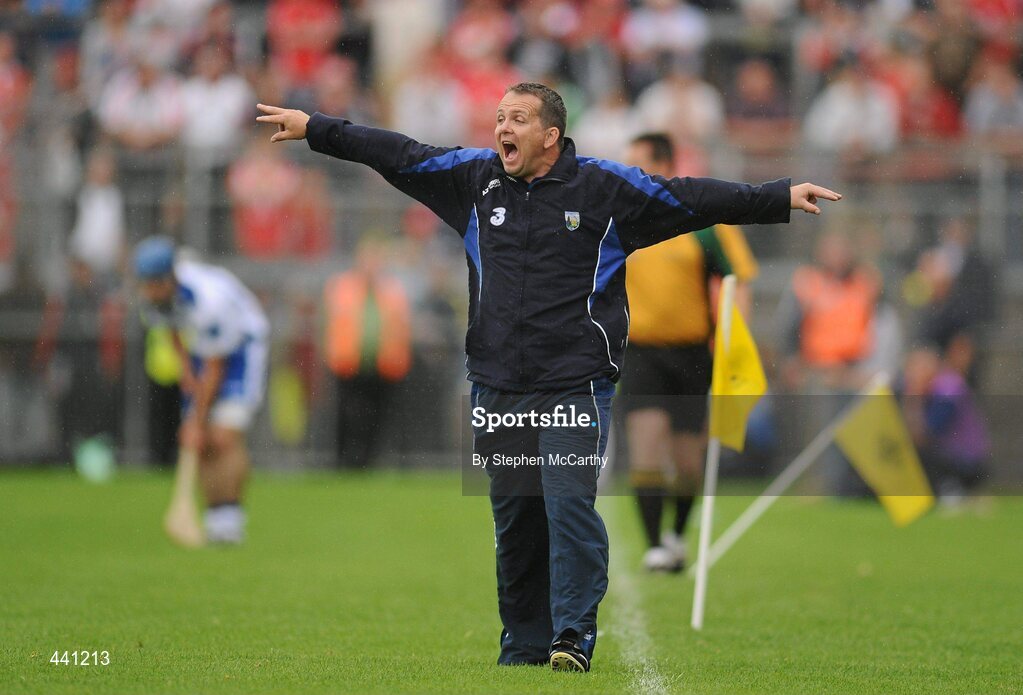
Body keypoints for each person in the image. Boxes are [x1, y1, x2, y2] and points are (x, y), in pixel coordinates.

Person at [256, 82, 839, 673]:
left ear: (550, 135)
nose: (502, 128)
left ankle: (572, 637)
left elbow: (693, 197)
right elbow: (397, 152)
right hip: (497, 385)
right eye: (499, 117)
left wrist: (778, 196)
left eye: (517, 119)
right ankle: (523, 645)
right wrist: (317, 129)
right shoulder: (472, 180)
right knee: (517, 522)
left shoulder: (607, 189)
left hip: (575, 384)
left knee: (567, 505)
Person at [619, 132, 759, 573]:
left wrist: (735, 336)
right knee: (645, 443)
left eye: (638, 163)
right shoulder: (622, 216)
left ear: (664, 163)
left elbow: (738, 280)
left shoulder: (699, 221)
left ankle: (677, 534)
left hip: (692, 354)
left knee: (686, 461)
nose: (629, 172)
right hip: (639, 351)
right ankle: (653, 544)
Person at [133, 236, 269, 544]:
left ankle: (230, 520)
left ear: (171, 278)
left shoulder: (209, 302)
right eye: (145, 284)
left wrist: (195, 418)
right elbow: (172, 331)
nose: (150, 291)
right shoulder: (152, 299)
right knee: (203, 443)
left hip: (242, 347)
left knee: (222, 435)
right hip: (203, 349)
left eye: (155, 283)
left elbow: (216, 366)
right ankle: (214, 518)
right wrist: (187, 373)